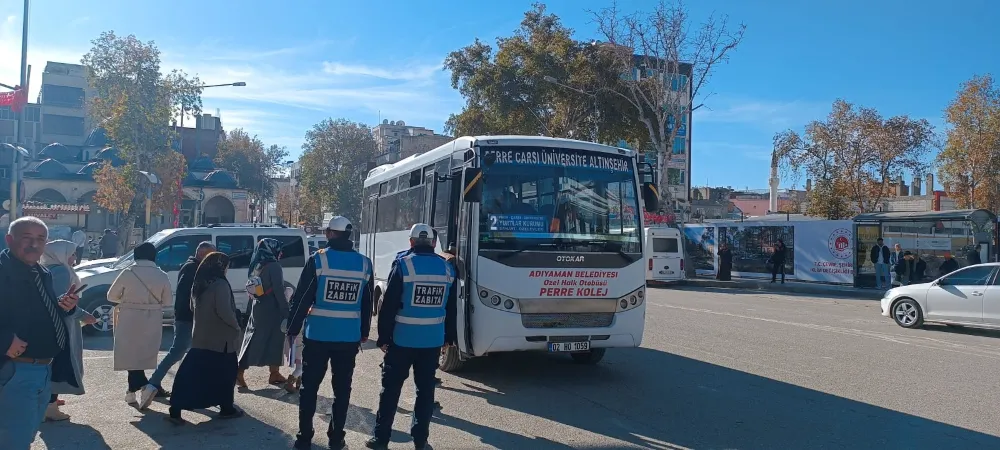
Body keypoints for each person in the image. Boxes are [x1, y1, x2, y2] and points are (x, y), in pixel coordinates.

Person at [367, 224, 457, 450]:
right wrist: (449, 337)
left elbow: (388, 305)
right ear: (434, 243)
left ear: (411, 242)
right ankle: (420, 442)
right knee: (425, 393)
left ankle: (381, 439)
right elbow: (452, 307)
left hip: (402, 340)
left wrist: (383, 337)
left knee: (390, 391)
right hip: (432, 342)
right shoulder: (447, 269)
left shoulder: (403, 265)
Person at [287, 216, 374, 450]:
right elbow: (367, 303)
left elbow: (302, 297)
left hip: (318, 336)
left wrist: (292, 328)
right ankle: (336, 439)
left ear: (330, 234)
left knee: (309, 388)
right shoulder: (365, 264)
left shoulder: (319, 260)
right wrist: (364, 331)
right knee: (342, 390)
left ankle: (304, 438)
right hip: (348, 338)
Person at [0, 217, 81, 449]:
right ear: (9, 240)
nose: (34, 244)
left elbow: (36, 309)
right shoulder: (3, 271)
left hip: (43, 370)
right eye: (27, 238)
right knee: (13, 441)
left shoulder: (40, 272)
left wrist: (64, 305)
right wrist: (4, 340)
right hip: (15, 370)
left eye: (40, 239)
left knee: (24, 437)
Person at [167, 252, 245, 425]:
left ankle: (176, 408)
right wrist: (236, 325)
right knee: (225, 374)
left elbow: (191, 307)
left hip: (201, 336)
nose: (227, 269)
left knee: (192, 374)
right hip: (222, 339)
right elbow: (224, 311)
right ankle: (226, 407)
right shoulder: (220, 284)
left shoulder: (199, 283)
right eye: (226, 266)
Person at [140, 241, 216, 406]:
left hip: (189, 317)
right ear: (202, 254)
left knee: (189, 353)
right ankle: (153, 384)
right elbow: (188, 296)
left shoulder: (194, 267)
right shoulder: (191, 269)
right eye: (211, 256)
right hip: (187, 318)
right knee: (178, 352)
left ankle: (187, 387)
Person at [107, 242, 172, 409]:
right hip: (152, 318)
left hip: (129, 316)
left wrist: (128, 300)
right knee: (143, 354)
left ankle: (143, 387)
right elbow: (167, 301)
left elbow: (111, 296)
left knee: (130, 354)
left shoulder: (128, 273)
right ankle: (133, 391)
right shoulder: (162, 275)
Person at [40, 240, 96, 422]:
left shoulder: (47, 268)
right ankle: (50, 405)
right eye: (71, 254)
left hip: (51, 324)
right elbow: (62, 302)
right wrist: (84, 315)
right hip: (63, 324)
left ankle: (50, 400)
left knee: (52, 363)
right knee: (61, 362)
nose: (75, 257)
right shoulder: (61, 271)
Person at [237, 238, 289, 388]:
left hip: (257, 306)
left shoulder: (257, 264)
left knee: (257, 338)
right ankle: (239, 372)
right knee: (269, 340)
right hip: (272, 309)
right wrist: (286, 311)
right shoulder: (274, 266)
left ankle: (274, 373)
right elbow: (278, 290)